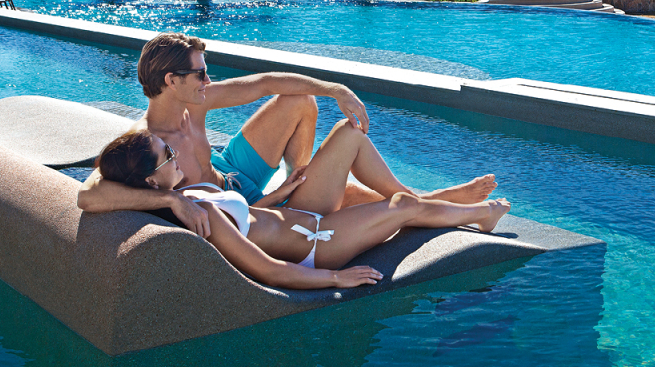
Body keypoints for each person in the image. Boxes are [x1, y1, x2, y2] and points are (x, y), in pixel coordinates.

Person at [78, 32, 497, 237]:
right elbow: (88, 195)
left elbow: (265, 82)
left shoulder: (197, 101)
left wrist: (336, 89)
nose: (210, 78)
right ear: (171, 80)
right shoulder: (143, 138)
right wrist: (169, 198)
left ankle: (306, 181)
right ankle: (425, 200)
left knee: (299, 100)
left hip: (230, 171)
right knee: (347, 188)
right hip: (238, 201)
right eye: (201, 73)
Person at [95, 130, 510, 289]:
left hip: (299, 211)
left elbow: (249, 215)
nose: (175, 151)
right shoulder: (200, 215)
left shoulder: (186, 191)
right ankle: (476, 215)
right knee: (399, 207)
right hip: (318, 245)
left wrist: (279, 195)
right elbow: (267, 269)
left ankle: (437, 199)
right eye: (167, 153)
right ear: (150, 180)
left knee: (349, 134)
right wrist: (334, 276)